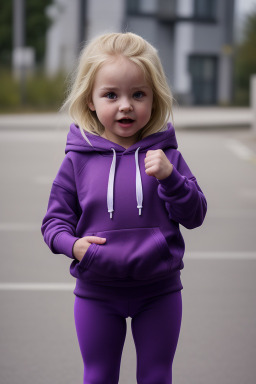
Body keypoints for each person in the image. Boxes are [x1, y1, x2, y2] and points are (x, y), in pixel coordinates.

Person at [41, 32, 207, 384]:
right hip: (97, 291)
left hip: (159, 290)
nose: (125, 105)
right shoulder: (76, 161)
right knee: (99, 376)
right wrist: (74, 246)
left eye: (138, 94)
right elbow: (54, 222)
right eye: (111, 95)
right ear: (90, 100)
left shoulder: (168, 157)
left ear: (154, 98)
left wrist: (171, 179)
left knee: (156, 376)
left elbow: (195, 215)